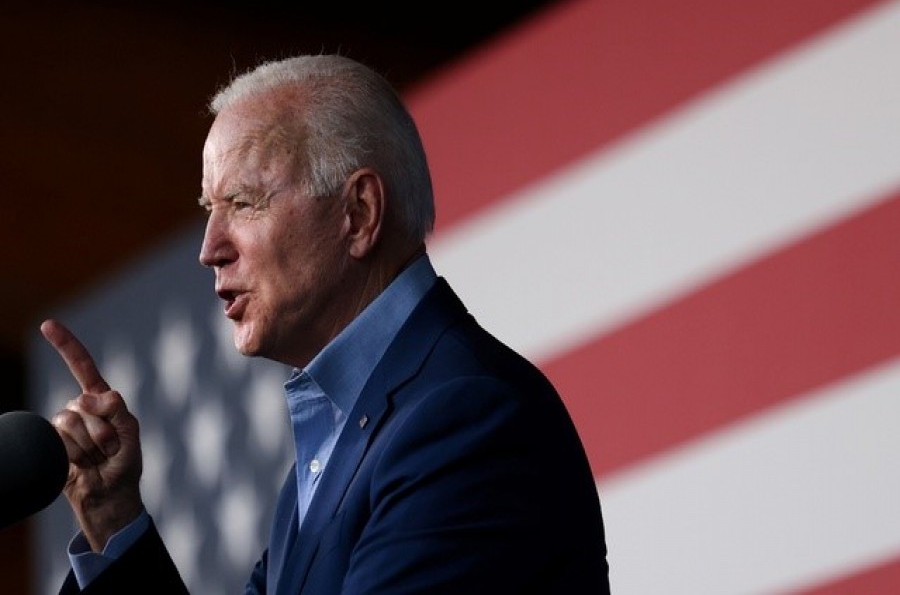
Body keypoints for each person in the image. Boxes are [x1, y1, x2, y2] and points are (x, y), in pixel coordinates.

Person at [41, 53, 611, 594]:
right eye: (208, 210)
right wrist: (111, 515)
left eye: (242, 202)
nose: (209, 249)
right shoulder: (330, 456)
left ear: (358, 213)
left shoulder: (462, 419)